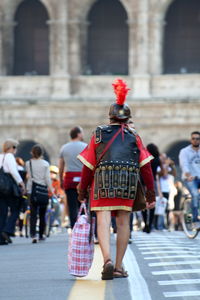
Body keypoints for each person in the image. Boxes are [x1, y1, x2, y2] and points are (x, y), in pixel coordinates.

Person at [77, 79, 155, 280]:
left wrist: (81, 189)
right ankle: (119, 267)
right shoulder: (134, 135)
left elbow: (88, 166)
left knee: (102, 222)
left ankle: (107, 260)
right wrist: (150, 193)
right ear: (127, 118)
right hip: (127, 184)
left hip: (102, 182)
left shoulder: (98, 133)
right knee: (123, 223)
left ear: (110, 117)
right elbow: (145, 167)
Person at [59, 126, 87, 229]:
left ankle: (74, 228)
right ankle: (84, 227)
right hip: (83, 178)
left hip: (69, 179)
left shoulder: (64, 148)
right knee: (83, 205)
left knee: (71, 206)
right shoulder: (86, 146)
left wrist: (61, 180)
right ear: (78, 134)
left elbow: (61, 166)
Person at [26, 144, 53, 243]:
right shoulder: (45, 164)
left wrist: (26, 189)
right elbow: (47, 179)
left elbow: (29, 177)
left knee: (33, 214)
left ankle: (33, 235)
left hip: (32, 190)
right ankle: (41, 234)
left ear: (32, 153)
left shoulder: (28, 163)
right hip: (42, 191)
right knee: (42, 214)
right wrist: (52, 190)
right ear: (42, 153)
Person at [0, 139, 25, 245]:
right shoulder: (9, 156)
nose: (15, 149)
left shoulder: (0, 156)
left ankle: (1, 237)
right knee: (16, 208)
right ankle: (7, 230)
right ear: (10, 148)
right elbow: (13, 171)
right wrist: (21, 183)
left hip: (0, 187)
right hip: (8, 187)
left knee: (2, 211)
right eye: (15, 147)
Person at [179, 131, 200, 223]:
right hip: (190, 178)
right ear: (190, 140)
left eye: (197, 139)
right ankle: (195, 219)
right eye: (193, 138)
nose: (195, 140)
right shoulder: (184, 151)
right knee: (195, 194)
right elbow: (184, 165)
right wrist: (188, 175)